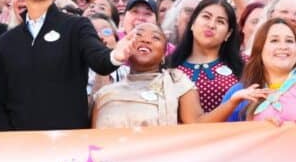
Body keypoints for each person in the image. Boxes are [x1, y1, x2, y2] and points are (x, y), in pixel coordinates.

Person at [0, 0, 136, 131]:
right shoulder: (6, 41)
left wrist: (115, 56)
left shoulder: (77, 27)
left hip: (68, 148)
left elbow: (99, 60)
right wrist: (9, 139)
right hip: (20, 149)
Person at [92, 23, 268, 128]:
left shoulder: (177, 81)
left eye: (155, 38)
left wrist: (233, 101)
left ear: (163, 55)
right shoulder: (105, 93)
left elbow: (197, 124)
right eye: (138, 35)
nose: (145, 40)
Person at [168, 0, 244, 112]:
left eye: (220, 21)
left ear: (228, 33)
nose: (211, 25)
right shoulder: (169, 66)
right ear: (192, 23)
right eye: (206, 17)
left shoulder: (243, 65)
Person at [222, 18, 296, 122]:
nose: (283, 47)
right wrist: (260, 128)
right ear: (259, 48)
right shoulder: (239, 92)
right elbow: (223, 134)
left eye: (289, 41)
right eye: (274, 40)